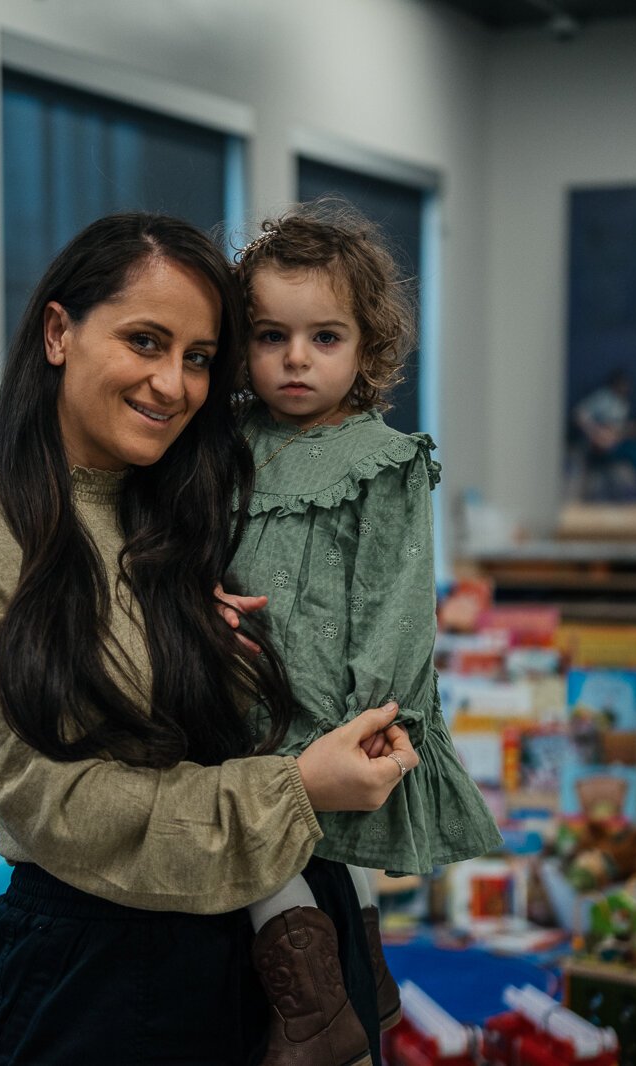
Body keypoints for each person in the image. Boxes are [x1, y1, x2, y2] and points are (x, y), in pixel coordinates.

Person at [0, 214, 417, 1064]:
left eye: (200, 357)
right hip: (107, 972)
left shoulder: (215, 504)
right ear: (58, 331)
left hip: (293, 943)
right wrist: (295, 791)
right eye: (145, 341)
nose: (173, 384)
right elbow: (58, 805)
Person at [226, 203, 502, 1060]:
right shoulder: (226, 441)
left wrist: (375, 710)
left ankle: (324, 998)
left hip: (333, 690)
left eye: (325, 337)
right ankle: (344, 979)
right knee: (248, 809)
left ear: (367, 347)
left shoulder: (382, 458)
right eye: (271, 335)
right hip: (241, 669)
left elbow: (392, 598)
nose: (295, 359)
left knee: (290, 821)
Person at [573, 369, 636, 492]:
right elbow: (579, 413)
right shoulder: (603, 396)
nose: (625, 388)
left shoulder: (624, 404)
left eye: (627, 385)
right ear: (616, 383)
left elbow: (619, 429)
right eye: (623, 384)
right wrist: (596, 432)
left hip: (616, 443)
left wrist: (630, 430)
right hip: (597, 444)